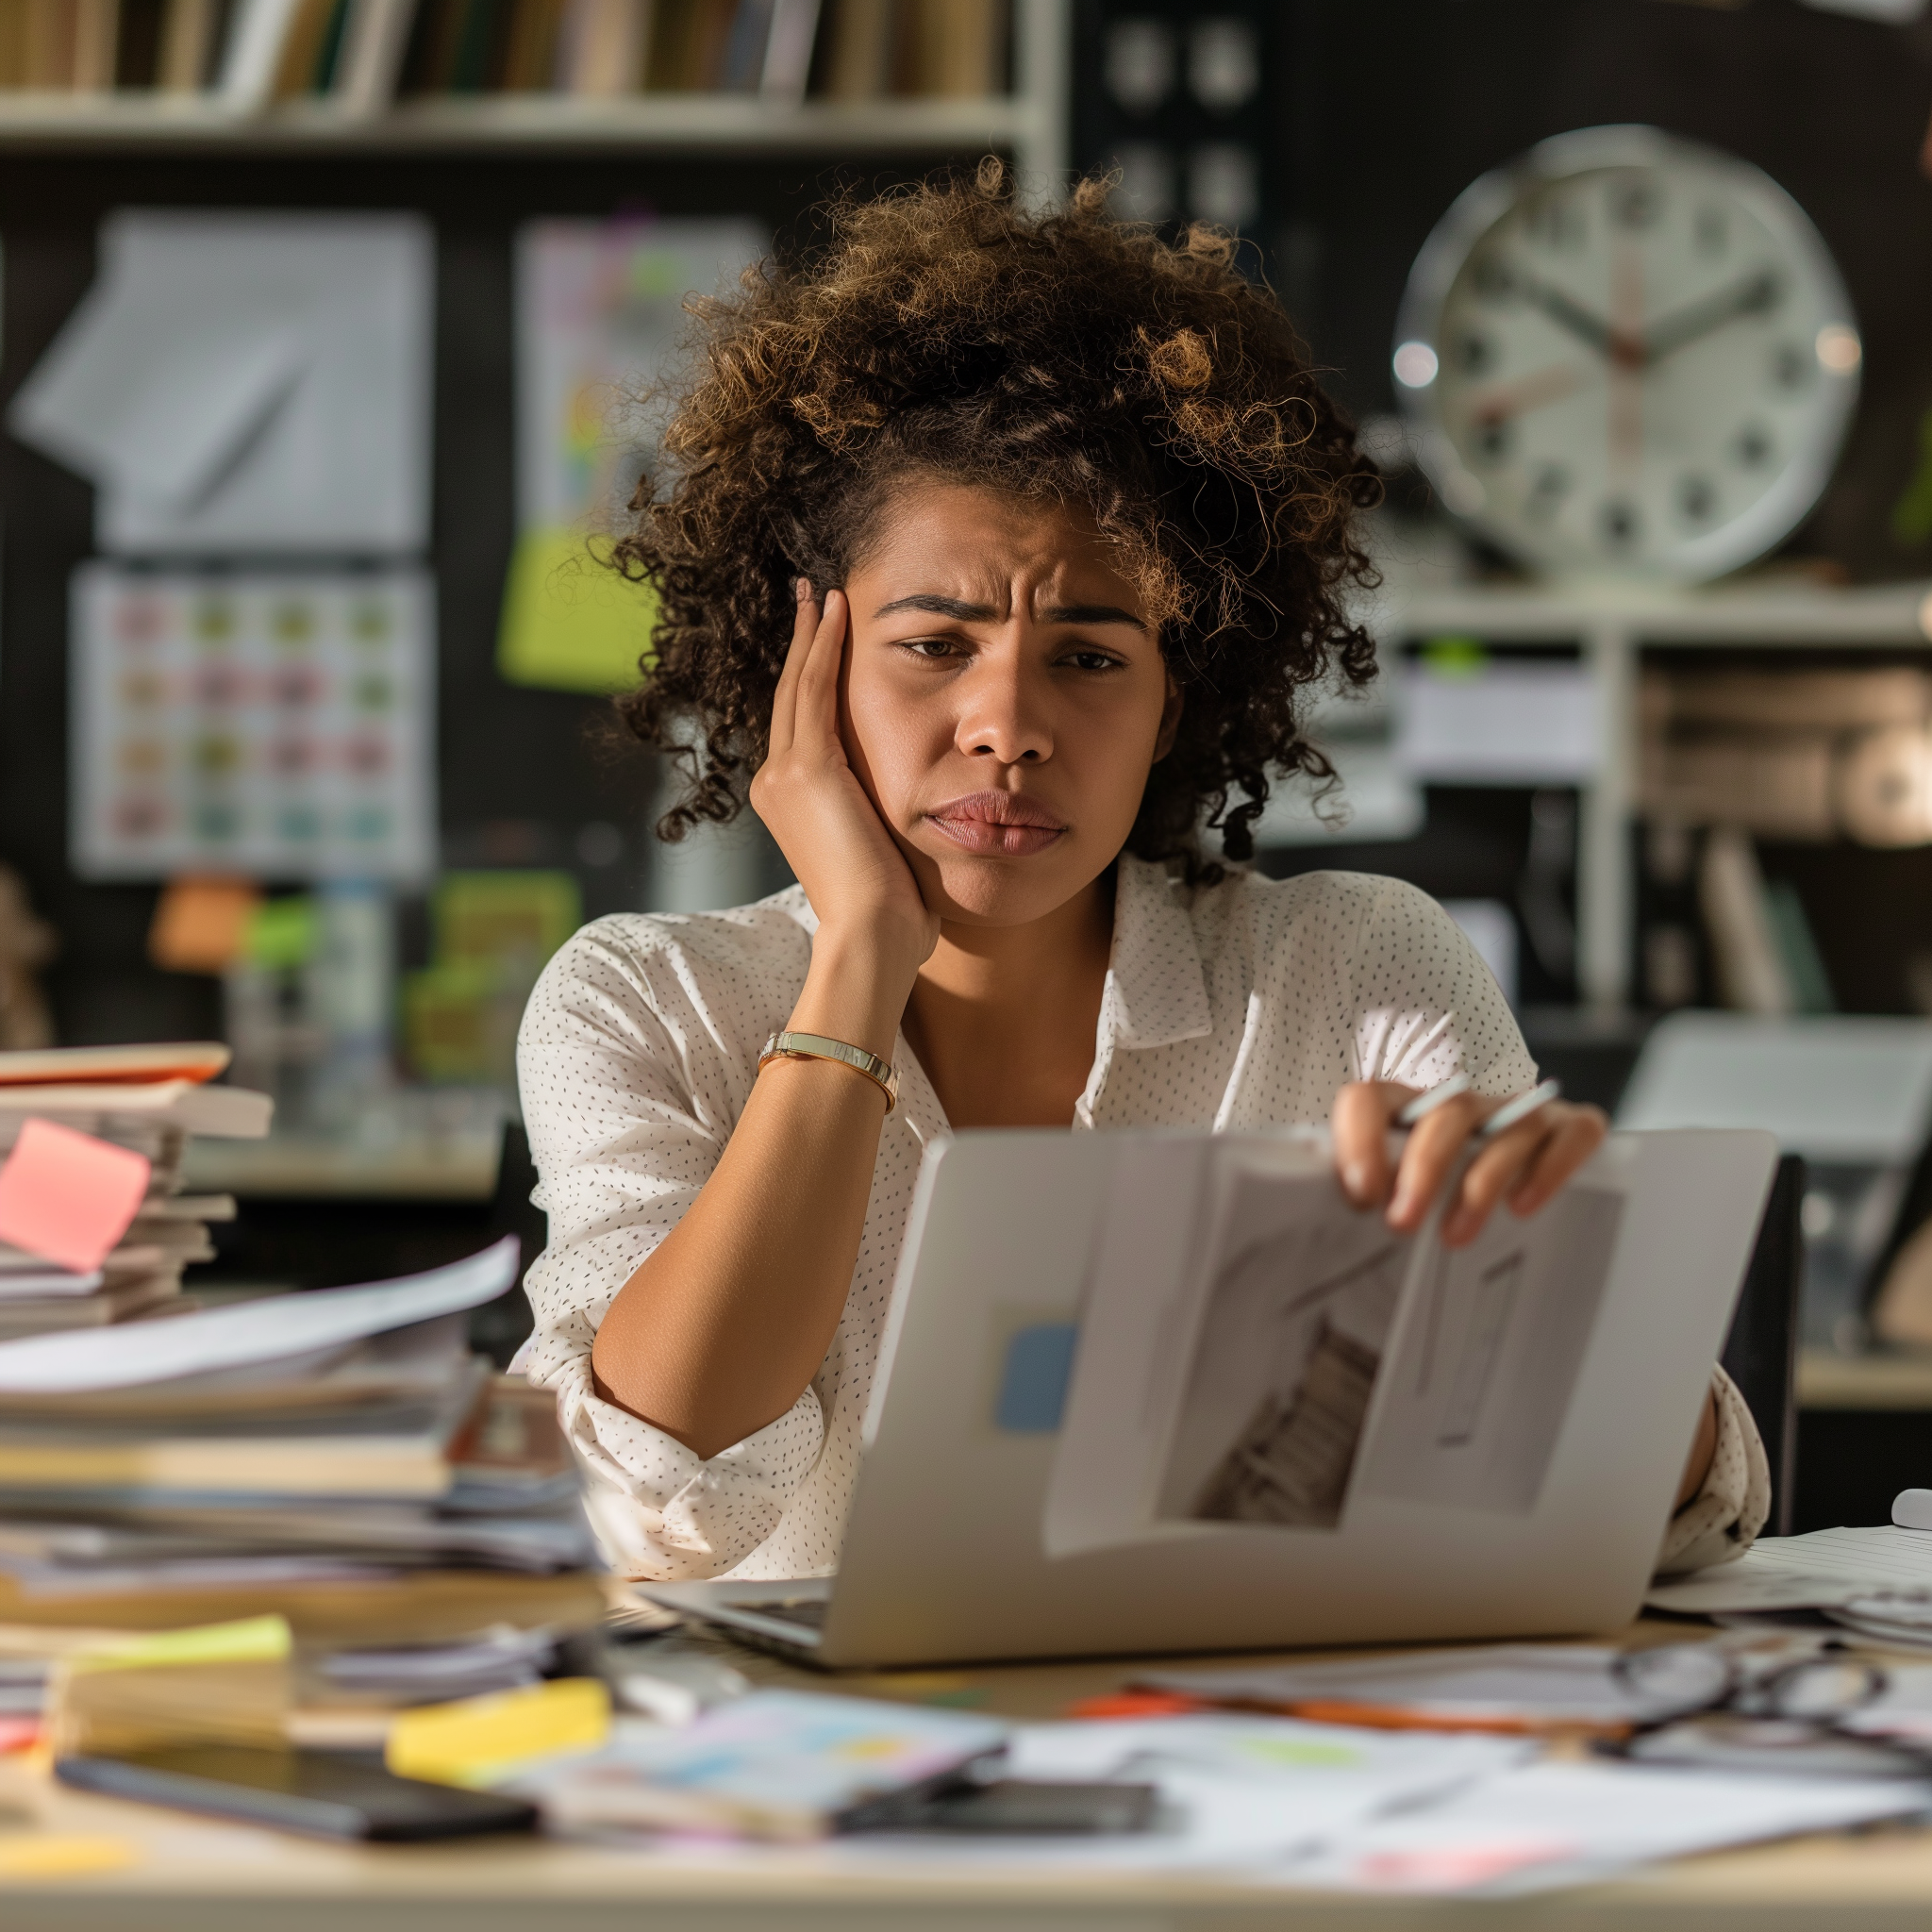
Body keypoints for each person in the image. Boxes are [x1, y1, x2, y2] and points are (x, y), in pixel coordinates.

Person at [513, 165, 1767, 1584]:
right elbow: (650, 1502)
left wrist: (1536, 1301)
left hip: (1248, 1765)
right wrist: (856, 964)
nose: (1010, 725)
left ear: (1173, 705)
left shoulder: (1355, 973)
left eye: (1092, 657)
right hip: (803, 1787)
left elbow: (1686, 1516)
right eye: (934, 646)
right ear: (806, 674)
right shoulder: (636, 1003)